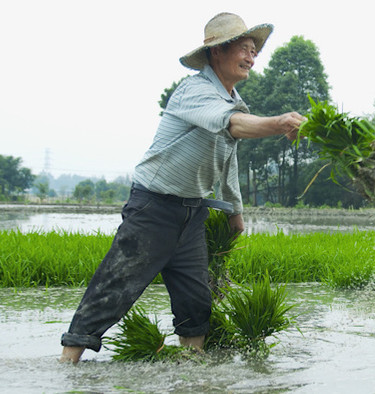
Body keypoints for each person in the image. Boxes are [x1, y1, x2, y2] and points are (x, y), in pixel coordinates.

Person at [60, 12, 305, 363]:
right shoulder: (194, 92)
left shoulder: (233, 101)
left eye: (255, 51)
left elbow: (227, 161)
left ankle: (191, 372)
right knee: (114, 290)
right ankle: (67, 365)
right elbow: (232, 125)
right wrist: (278, 123)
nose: (252, 57)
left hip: (192, 212)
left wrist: (235, 212)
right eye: (245, 49)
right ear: (216, 52)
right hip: (153, 208)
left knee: (195, 302)